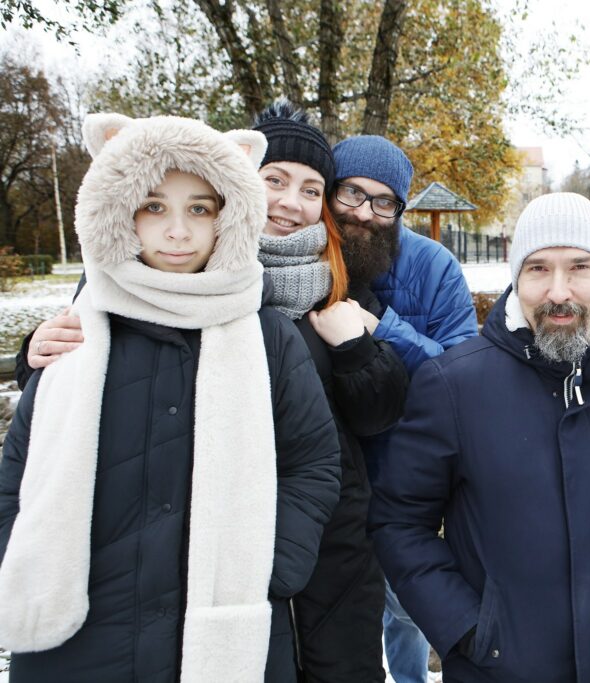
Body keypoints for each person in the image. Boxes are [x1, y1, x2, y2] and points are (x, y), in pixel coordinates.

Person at [0, 114, 341, 681]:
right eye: (154, 206)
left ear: (227, 217)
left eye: (200, 208)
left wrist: (269, 566)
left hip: (226, 633)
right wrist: (27, 558)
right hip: (79, 639)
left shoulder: (265, 335)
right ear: (119, 210)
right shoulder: (79, 329)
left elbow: (312, 462)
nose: (178, 231)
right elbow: (19, 470)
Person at [368, 192, 590, 682]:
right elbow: (399, 523)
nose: (559, 291)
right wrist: (467, 628)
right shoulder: (453, 383)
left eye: (579, 267)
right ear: (516, 279)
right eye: (538, 269)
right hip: (495, 668)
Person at [251, 101, 409, 683]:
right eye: (274, 180)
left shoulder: (341, 286)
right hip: (229, 546)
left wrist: (356, 350)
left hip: (337, 552)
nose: (291, 203)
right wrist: (40, 346)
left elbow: (380, 413)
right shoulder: (189, 276)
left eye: (310, 188)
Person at [329, 134, 478, 683]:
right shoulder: (294, 253)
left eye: (383, 201)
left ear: (400, 209)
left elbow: (465, 374)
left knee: (406, 604)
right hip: (325, 471)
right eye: (351, 193)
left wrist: (381, 327)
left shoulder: (434, 266)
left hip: (402, 470)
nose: (364, 213)